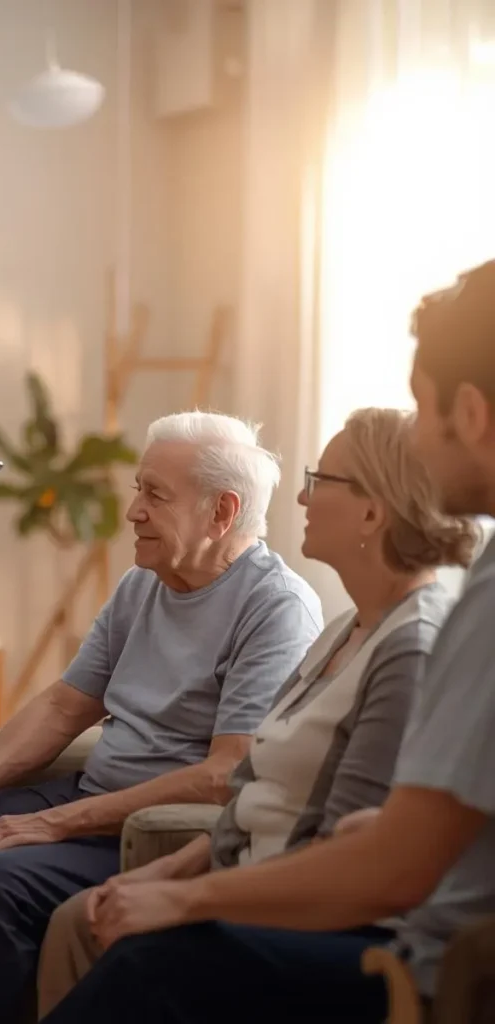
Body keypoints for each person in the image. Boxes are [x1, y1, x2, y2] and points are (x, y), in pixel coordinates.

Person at [36, 259, 495, 1024]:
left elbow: (394, 867)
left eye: (420, 408)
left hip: (415, 957)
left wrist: (185, 896)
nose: (415, 436)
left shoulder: (430, 620)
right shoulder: (348, 622)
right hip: (373, 908)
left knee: (143, 968)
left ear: (473, 413)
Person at [0, 411, 324, 1024]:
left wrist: (54, 824)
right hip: (92, 801)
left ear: (222, 511)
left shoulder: (277, 608)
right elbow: (66, 704)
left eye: (155, 494)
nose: (134, 509)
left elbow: (227, 772)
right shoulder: (142, 585)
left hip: (160, 829)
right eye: (139, 487)